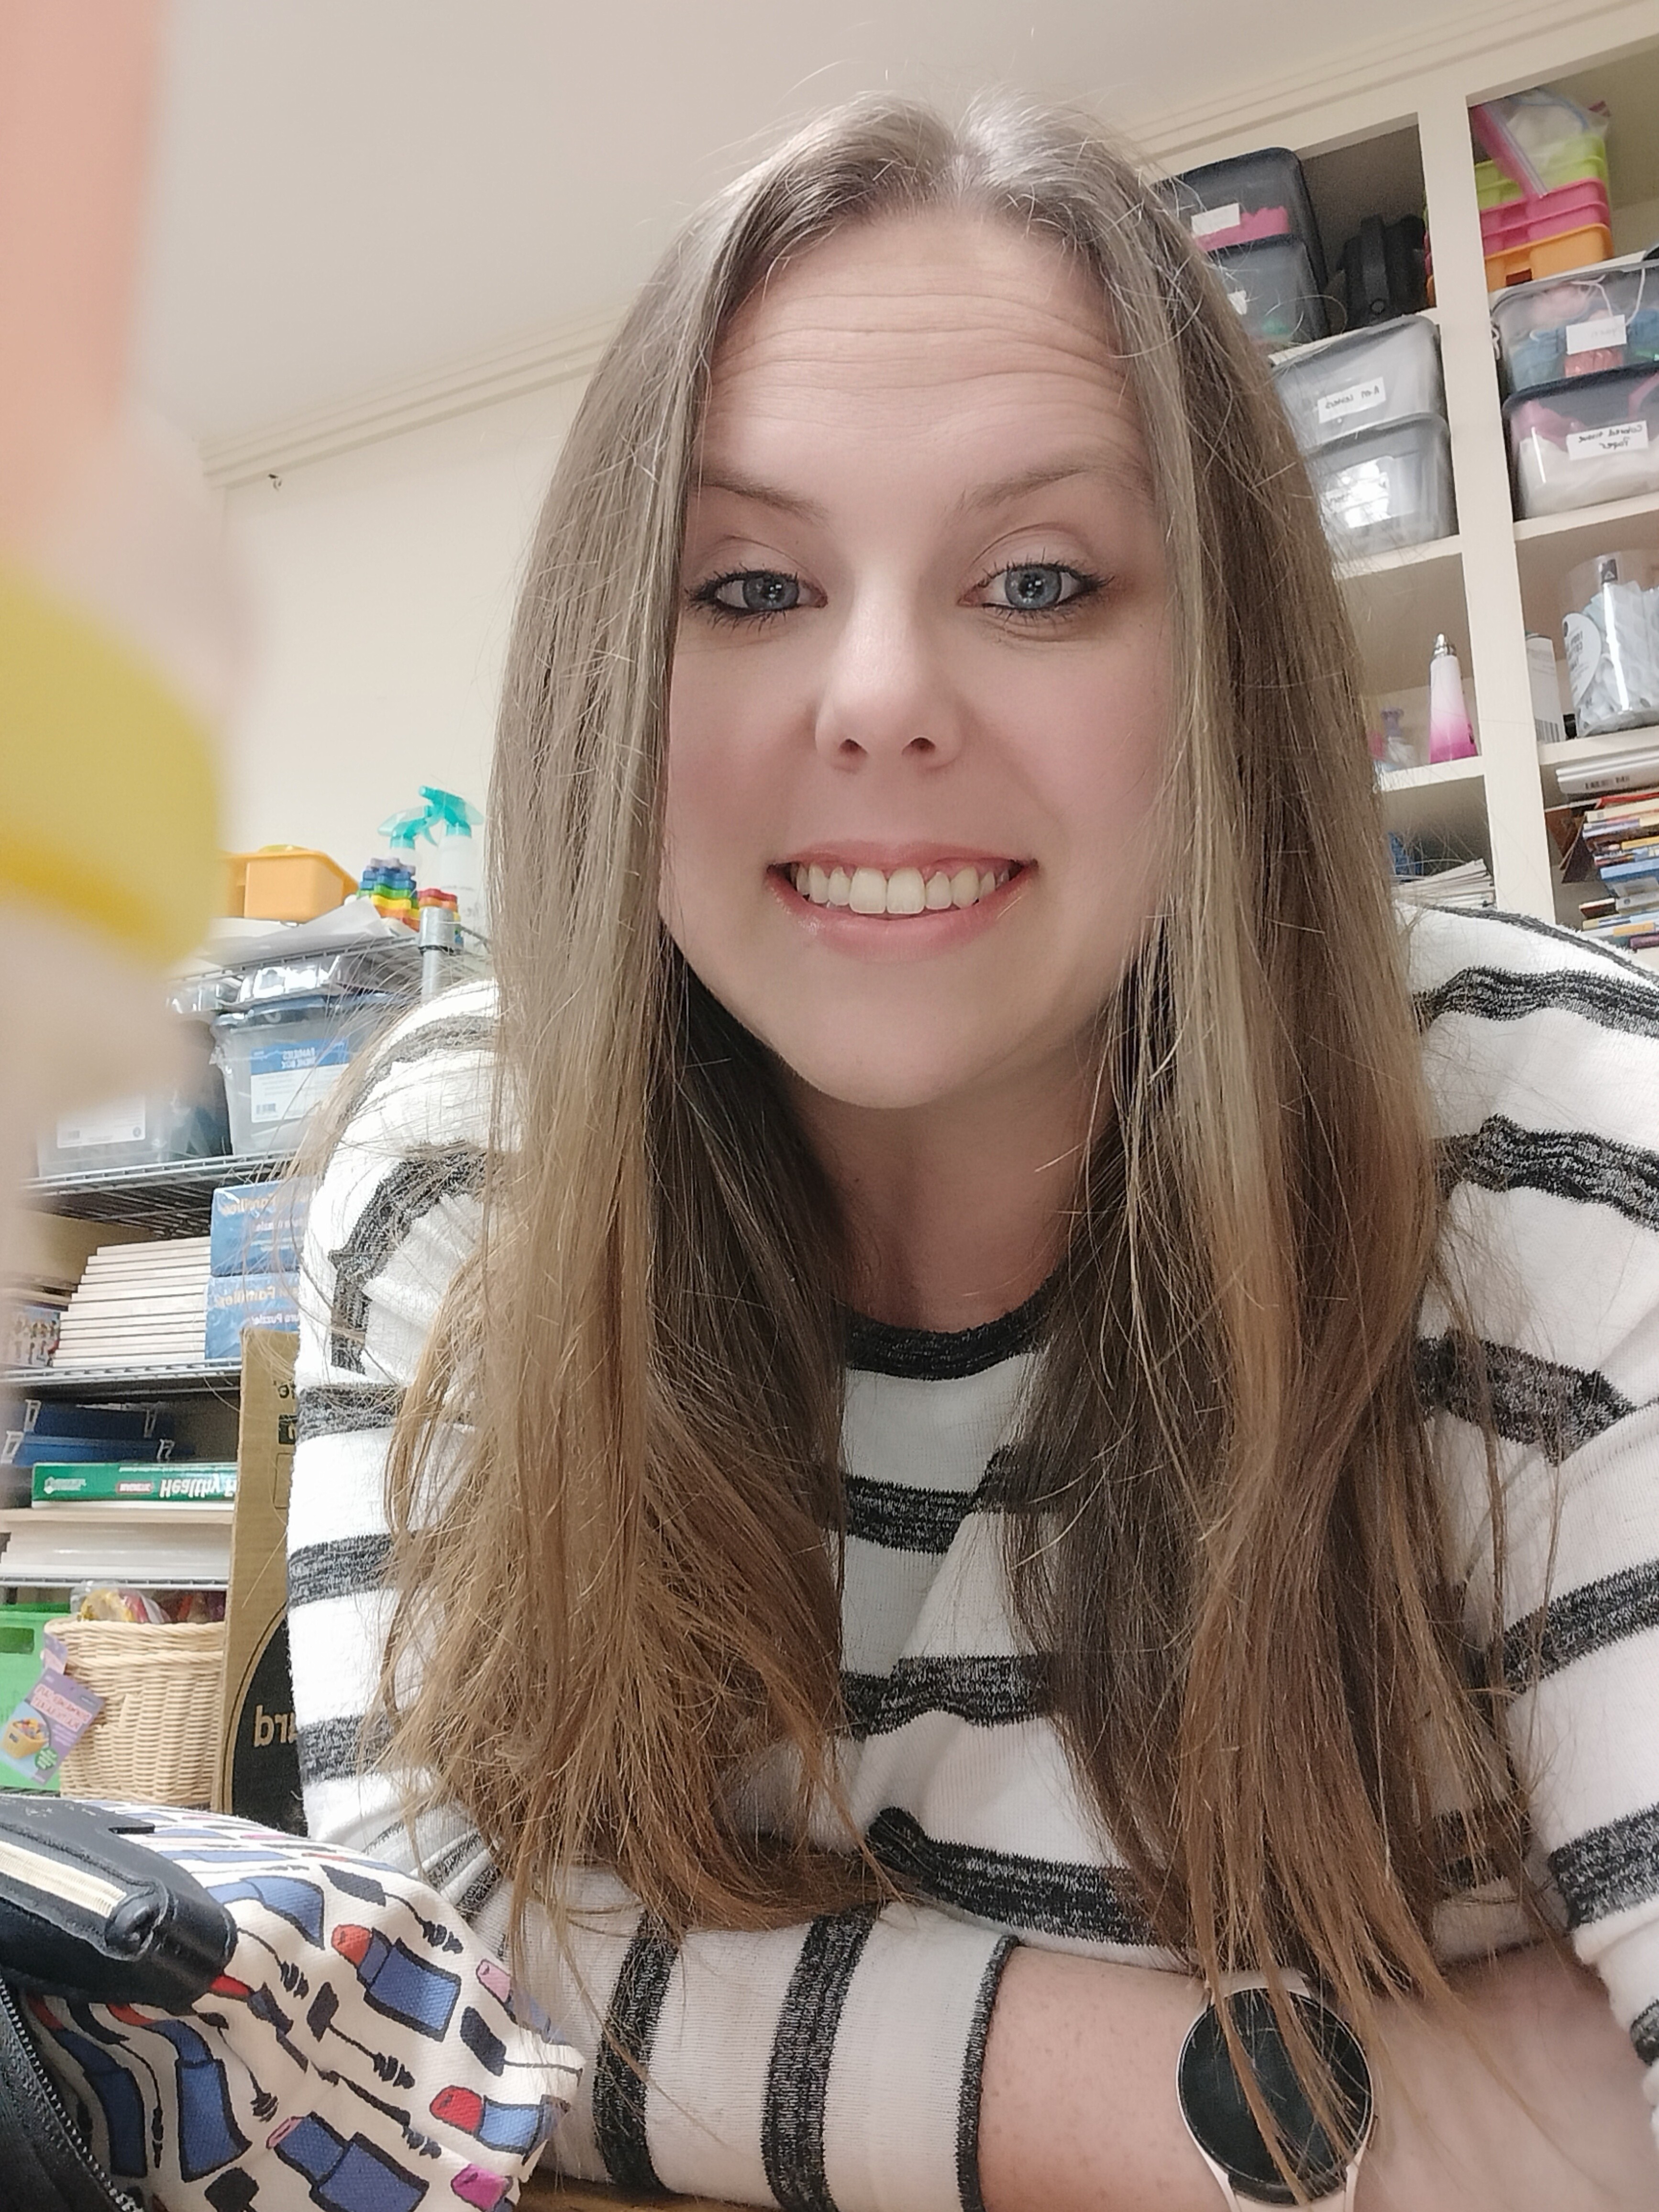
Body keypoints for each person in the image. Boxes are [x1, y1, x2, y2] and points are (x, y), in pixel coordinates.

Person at [286, 96, 1659, 2212]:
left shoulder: (1557, 1164)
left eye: (1038, 578)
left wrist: (724, 1993)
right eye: (748, 581)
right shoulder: (474, 1166)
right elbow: (413, 1983)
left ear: (1222, 667)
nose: (880, 697)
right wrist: (1321, 2111)